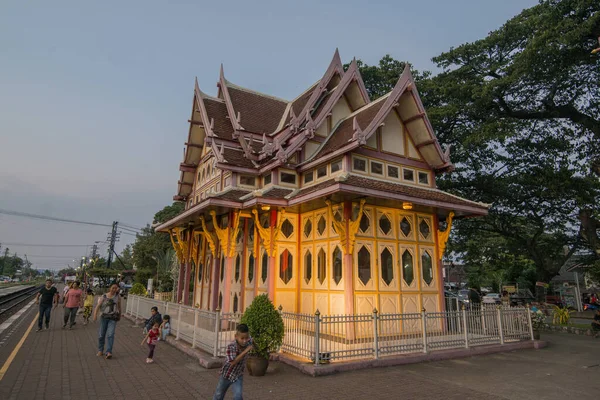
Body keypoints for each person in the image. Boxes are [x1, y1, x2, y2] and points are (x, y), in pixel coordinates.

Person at [213, 324, 253, 400]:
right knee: (218, 395)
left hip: (238, 375)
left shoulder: (248, 341)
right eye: (242, 338)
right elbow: (232, 362)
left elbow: (252, 340)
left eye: (246, 338)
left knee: (238, 396)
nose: (244, 341)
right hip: (227, 374)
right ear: (236, 337)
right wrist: (245, 351)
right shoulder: (231, 346)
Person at [93, 283, 121, 359]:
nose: (114, 290)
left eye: (116, 288)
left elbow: (119, 307)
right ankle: (100, 350)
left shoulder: (118, 297)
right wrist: (95, 315)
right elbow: (98, 306)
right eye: (113, 288)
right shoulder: (104, 296)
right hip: (104, 317)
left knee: (110, 334)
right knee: (101, 334)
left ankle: (109, 352)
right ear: (110, 288)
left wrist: (119, 315)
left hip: (113, 318)